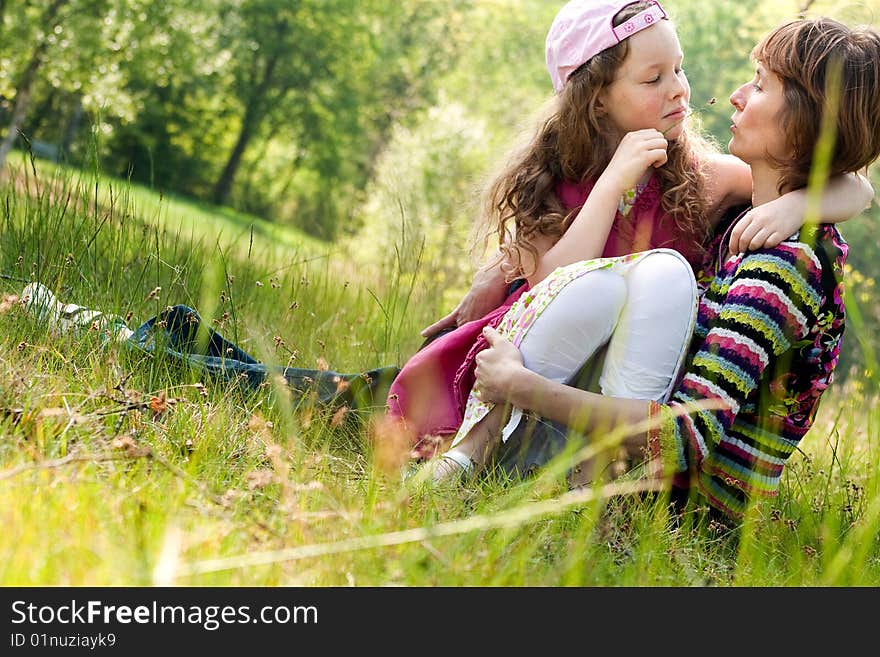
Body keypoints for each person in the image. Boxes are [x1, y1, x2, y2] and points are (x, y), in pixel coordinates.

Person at [19, 2, 872, 465]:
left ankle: (163, 333)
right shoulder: (557, 189)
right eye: (656, 77)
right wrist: (609, 189)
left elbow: (854, 179)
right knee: (298, 395)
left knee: (300, 390)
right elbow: (552, 288)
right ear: (597, 99)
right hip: (471, 381)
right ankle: (87, 325)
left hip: (546, 411)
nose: (686, 90)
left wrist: (800, 207)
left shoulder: (704, 180)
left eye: (680, 68)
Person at [432, 15, 880, 520]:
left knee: (660, 272)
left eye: (759, 85)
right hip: (624, 447)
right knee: (621, 284)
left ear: (804, 123)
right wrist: (501, 265)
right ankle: (470, 458)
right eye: (653, 77)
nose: (733, 95)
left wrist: (519, 385)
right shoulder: (743, 227)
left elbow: (683, 436)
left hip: (679, 504)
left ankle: (513, 472)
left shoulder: (781, 266)